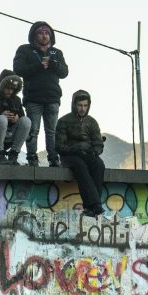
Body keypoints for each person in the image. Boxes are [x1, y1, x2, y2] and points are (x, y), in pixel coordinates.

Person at [13, 21, 68, 167]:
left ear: (51, 36)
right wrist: (38, 66)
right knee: (33, 131)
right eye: (41, 33)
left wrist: (53, 64)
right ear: (34, 35)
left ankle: (53, 159)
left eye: (47, 33)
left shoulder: (57, 52)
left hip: (53, 97)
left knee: (52, 131)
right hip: (33, 97)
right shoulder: (24, 50)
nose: (44, 36)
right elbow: (18, 69)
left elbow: (64, 72)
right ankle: (32, 158)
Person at [55, 89, 105, 217]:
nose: (82, 108)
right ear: (74, 104)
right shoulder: (63, 121)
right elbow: (59, 146)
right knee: (80, 166)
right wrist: (77, 147)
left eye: (85, 105)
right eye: (79, 105)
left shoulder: (92, 122)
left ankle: (92, 207)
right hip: (69, 156)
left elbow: (98, 143)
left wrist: (95, 151)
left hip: (88, 154)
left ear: (89, 105)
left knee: (99, 165)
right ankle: (95, 205)